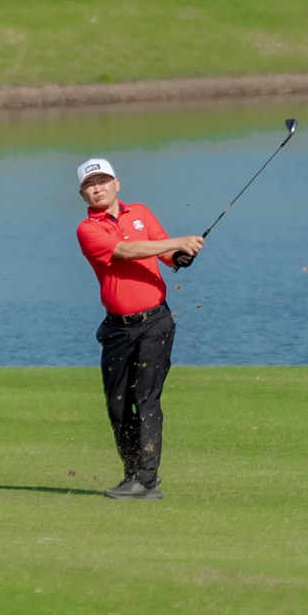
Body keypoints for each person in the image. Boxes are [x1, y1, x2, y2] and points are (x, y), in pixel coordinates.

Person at [73, 158, 203, 500]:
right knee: (118, 405)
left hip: (155, 323)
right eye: (90, 185)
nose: (98, 188)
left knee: (146, 399)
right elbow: (126, 251)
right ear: (83, 194)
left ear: (118, 183)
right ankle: (132, 475)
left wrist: (179, 256)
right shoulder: (89, 230)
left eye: (103, 181)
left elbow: (165, 253)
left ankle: (146, 479)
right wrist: (177, 242)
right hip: (117, 330)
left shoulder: (141, 212)